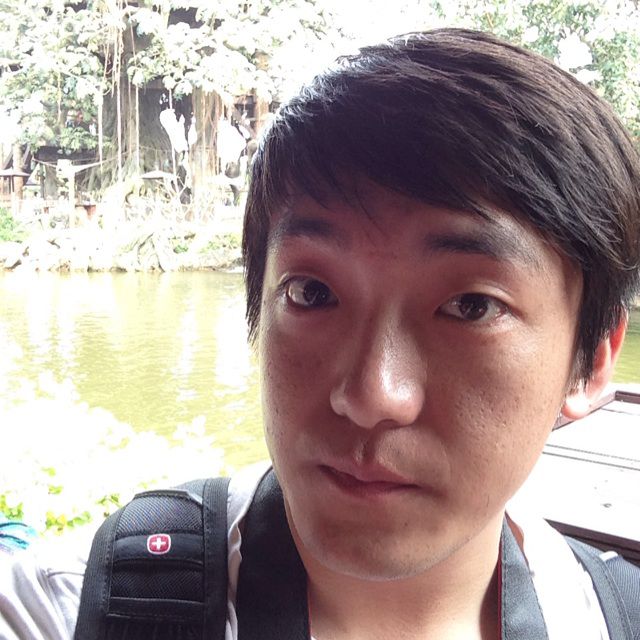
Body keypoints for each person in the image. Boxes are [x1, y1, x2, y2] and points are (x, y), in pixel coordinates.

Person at [1, 27, 639, 640]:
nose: (371, 396)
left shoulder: (616, 618)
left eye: (472, 306)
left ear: (590, 362)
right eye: (311, 293)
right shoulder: (75, 608)